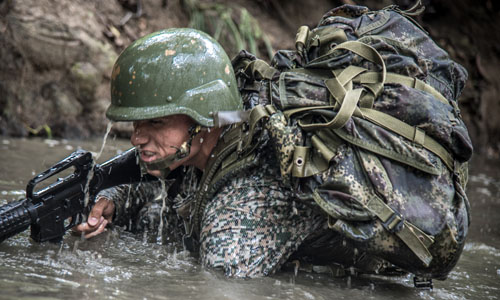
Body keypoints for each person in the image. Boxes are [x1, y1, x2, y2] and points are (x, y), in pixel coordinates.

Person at [73, 6, 471, 283]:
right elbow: (176, 192)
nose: (137, 137)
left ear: (201, 118)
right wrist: (117, 200)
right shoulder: (233, 117)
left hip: (381, 274)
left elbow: (211, 275)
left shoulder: (238, 219)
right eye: (135, 123)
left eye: (155, 122)